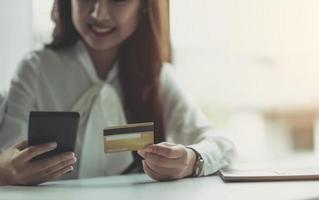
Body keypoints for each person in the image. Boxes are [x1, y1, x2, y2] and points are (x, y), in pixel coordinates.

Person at [0, 0, 235, 185]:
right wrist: (9, 171)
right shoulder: (36, 69)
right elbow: (7, 154)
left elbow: (223, 145)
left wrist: (192, 160)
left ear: (143, 5)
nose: (99, 13)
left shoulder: (156, 76)